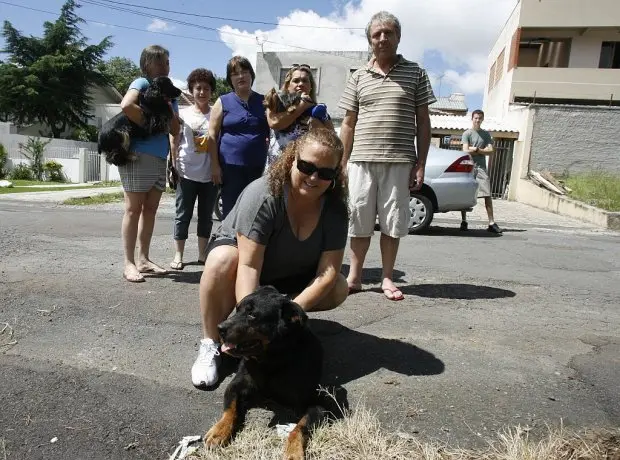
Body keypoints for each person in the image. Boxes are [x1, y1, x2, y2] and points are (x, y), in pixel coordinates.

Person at [191, 129, 349, 389]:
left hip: (286, 272)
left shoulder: (335, 209)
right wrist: (248, 326)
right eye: (306, 166)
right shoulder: (265, 194)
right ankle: (210, 343)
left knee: (339, 287)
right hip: (246, 263)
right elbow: (249, 265)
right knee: (222, 259)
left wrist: (286, 319)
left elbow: (329, 271)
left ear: (335, 176)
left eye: (325, 173)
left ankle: (276, 331)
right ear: (292, 159)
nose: (313, 177)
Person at [338, 11, 436, 301]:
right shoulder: (357, 77)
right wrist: (343, 162)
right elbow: (348, 123)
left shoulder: (416, 73)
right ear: (370, 40)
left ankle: (388, 277)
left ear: (398, 37)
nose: (382, 38)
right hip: (361, 161)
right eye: (376, 34)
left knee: (393, 221)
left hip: (399, 160)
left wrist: (420, 163)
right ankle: (354, 276)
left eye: (388, 33)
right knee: (359, 219)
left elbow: (423, 121)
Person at [118, 45, 180, 283]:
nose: (166, 66)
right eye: (162, 61)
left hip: (159, 156)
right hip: (138, 154)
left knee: (151, 209)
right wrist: (151, 122)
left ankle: (144, 259)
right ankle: (129, 263)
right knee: (133, 209)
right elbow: (126, 105)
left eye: (168, 61)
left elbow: (175, 128)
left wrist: (169, 111)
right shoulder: (141, 83)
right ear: (148, 64)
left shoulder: (169, 93)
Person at [206, 56, 270, 219]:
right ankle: (229, 242)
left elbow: (275, 130)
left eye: (245, 72)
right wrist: (214, 166)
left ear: (251, 75)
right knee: (231, 212)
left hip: (256, 167)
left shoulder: (264, 102)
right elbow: (212, 135)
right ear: (230, 79)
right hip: (229, 168)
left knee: (253, 210)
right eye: (235, 74)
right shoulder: (223, 102)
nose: (241, 76)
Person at [169, 68, 219, 270]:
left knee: (206, 217)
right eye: (198, 88)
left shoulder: (217, 112)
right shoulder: (182, 113)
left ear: (211, 91)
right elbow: (174, 140)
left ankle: (201, 254)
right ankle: (178, 255)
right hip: (186, 172)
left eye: (206, 88)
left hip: (210, 175)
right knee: (182, 215)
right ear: (191, 90)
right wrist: (174, 167)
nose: (202, 92)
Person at [264, 64, 334, 164]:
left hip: (304, 170)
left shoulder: (318, 111)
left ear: (310, 87)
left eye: (305, 81)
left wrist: (317, 122)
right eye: (296, 81)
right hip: (276, 168)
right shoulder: (275, 102)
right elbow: (274, 123)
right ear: (288, 85)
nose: (300, 84)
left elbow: (332, 141)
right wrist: (301, 107)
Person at [460, 110, 502, 234]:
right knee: (465, 194)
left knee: (487, 194)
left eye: (480, 118)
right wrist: (481, 150)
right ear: (472, 119)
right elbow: (465, 150)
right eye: (476, 118)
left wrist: (477, 149)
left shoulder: (486, 134)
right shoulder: (467, 133)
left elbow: (491, 151)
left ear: (482, 119)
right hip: (468, 166)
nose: (477, 120)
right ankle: (464, 221)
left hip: (481, 168)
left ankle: (491, 223)